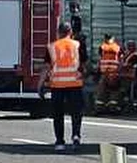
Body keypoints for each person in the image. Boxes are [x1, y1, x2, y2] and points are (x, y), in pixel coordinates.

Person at [38, 21, 84, 151]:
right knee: (76, 112)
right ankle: (76, 135)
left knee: (58, 114)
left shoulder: (52, 46)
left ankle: (59, 142)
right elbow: (83, 64)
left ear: (58, 33)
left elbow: (46, 67)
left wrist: (40, 84)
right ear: (70, 32)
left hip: (57, 85)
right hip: (75, 83)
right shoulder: (77, 45)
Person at [95, 33, 123, 111]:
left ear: (105, 39)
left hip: (104, 73)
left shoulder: (102, 47)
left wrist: (97, 70)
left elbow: (100, 59)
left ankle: (99, 108)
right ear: (113, 39)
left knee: (101, 91)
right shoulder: (117, 48)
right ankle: (112, 107)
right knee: (114, 91)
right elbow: (120, 61)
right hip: (114, 73)